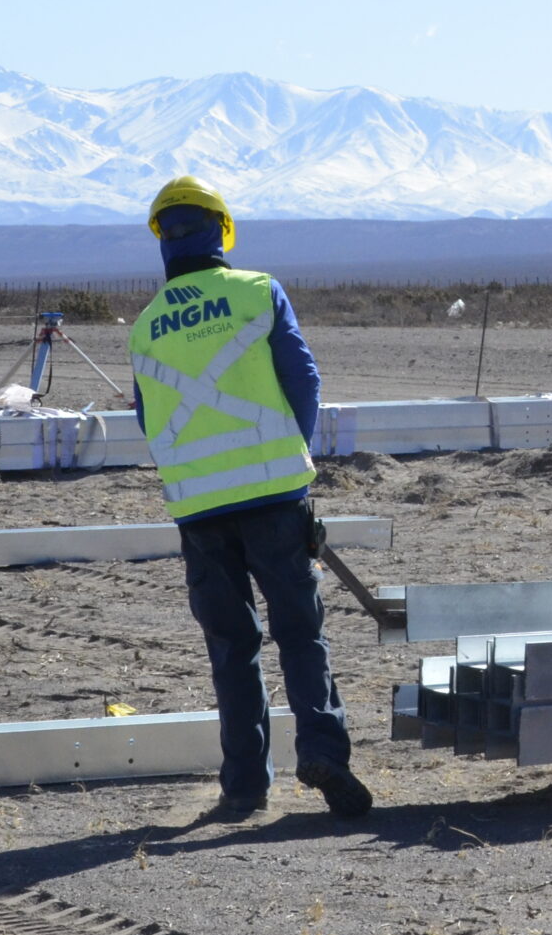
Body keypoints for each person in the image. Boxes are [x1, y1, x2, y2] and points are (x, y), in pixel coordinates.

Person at [129, 176, 372, 821]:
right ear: (222, 229)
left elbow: (148, 418)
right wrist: (292, 457)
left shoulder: (146, 327)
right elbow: (303, 379)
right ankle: (322, 750)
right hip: (274, 496)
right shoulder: (259, 292)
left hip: (198, 510)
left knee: (232, 647)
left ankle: (242, 785)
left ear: (163, 239)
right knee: (301, 633)